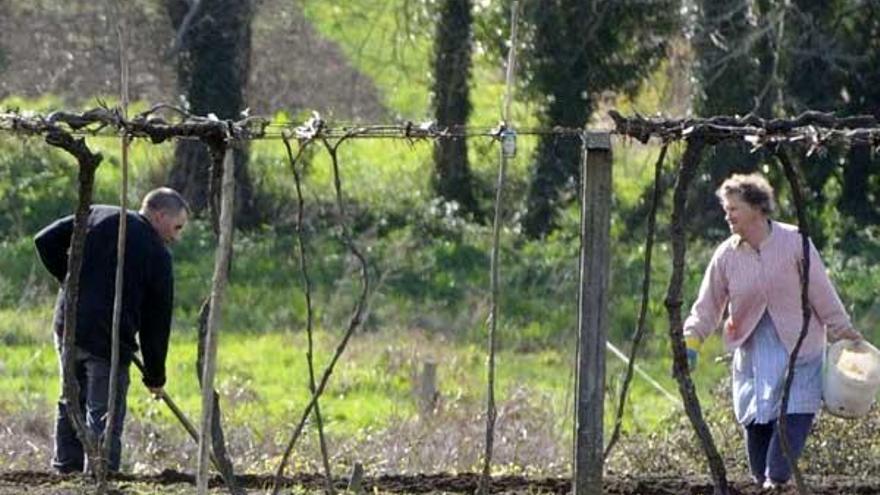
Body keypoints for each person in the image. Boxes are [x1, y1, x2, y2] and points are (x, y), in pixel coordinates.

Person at [683, 173, 863, 489]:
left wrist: (845, 333)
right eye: (726, 209)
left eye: (733, 208)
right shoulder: (727, 255)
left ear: (757, 208)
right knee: (757, 441)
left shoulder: (794, 243)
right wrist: (692, 340)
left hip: (800, 352)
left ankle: (776, 482)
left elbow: (822, 294)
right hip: (752, 355)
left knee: (781, 456)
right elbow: (707, 304)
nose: (727, 215)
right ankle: (766, 483)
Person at [35, 187, 189, 474]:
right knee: (103, 414)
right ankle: (99, 476)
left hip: (68, 326)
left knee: (71, 401)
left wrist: (70, 282)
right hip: (109, 342)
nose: (176, 236)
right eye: (176, 227)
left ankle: (65, 473)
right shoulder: (157, 254)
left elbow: (45, 240)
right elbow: (157, 323)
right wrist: (155, 375)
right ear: (159, 215)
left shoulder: (99, 214)